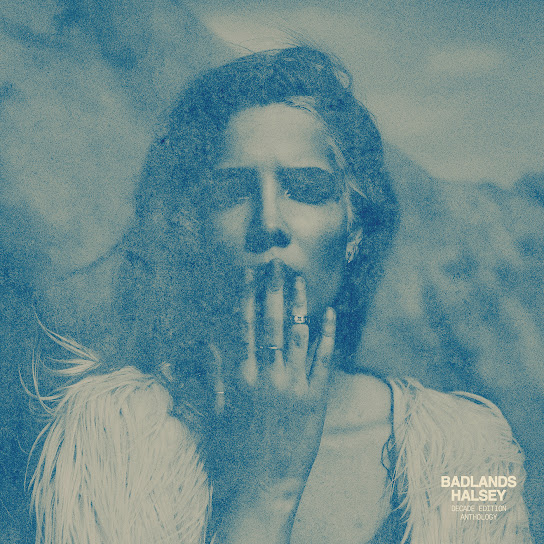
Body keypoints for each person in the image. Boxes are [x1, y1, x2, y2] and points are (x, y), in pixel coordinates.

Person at [30, 47, 532, 543]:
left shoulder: (468, 449)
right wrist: (266, 492)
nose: (268, 222)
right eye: (232, 191)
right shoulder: (112, 436)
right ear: (195, 227)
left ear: (354, 228)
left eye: (306, 188)